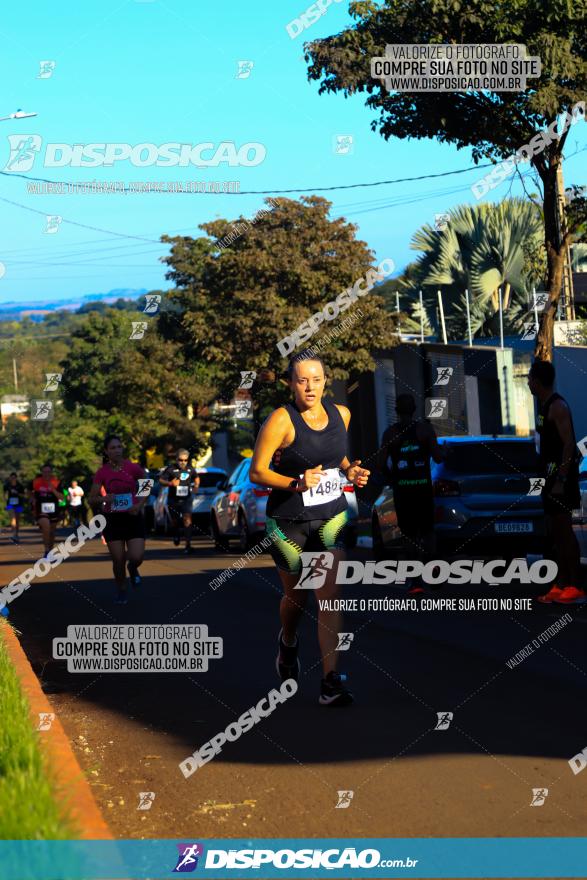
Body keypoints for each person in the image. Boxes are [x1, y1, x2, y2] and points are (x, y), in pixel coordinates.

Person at [249, 351, 369, 707]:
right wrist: (297, 481)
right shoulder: (280, 420)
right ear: (291, 384)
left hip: (330, 516)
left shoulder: (341, 414)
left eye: (316, 379)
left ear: (325, 380)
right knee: (296, 600)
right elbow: (258, 472)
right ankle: (287, 641)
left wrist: (350, 471)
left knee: (328, 596)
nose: (310, 387)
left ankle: (330, 681)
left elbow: (338, 458)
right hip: (288, 522)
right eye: (302, 380)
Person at [527, 360, 585, 604]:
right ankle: (560, 583)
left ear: (538, 381)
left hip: (561, 479)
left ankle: (574, 586)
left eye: (530, 379)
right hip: (549, 478)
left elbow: (569, 445)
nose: (528, 382)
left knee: (564, 532)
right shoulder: (542, 406)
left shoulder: (558, 406)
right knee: (554, 533)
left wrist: (561, 478)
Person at [376, 393, 445, 594]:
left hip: (403, 492)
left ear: (397, 411)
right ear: (414, 409)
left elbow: (380, 464)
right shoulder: (425, 429)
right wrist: (446, 453)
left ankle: (415, 582)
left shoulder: (390, 434)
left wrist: (393, 476)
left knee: (409, 535)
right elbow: (438, 458)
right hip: (422, 489)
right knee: (428, 531)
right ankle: (434, 575)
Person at [89, 436, 147, 604]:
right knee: (118, 559)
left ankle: (133, 567)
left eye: (119, 447)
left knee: (136, 556)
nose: (117, 450)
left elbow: (147, 484)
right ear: (106, 451)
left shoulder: (132, 468)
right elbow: (91, 499)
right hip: (112, 519)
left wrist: (140, 504)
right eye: (112, 448)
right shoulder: (102, 472)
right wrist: (105, 499)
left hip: (132, 516)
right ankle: (121, 589)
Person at [158, 450, 200, 553]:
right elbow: (161, 480)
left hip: (187, 498)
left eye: (185, 460)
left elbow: (196, 477)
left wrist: (196, 486)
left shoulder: (190, 469)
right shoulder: (170, 469)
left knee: (187, 520)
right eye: (181, 460)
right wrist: (170, 483)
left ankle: (188, 545)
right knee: (175, 521)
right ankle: (176, 533)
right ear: (177, 459)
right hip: (173, 499)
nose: (183, 462)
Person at [31, 464, 63, 557]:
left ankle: (50, 549)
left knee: (52, 532)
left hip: (54, 510)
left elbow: (62, 498)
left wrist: (52, 489)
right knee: (46, 527)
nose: (46, 474)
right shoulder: (36, 482)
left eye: (48, 472)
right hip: (41, 510)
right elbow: (29, 491)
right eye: (44, 472)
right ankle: (46, 550)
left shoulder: (56, 482)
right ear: (41, 472)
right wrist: (32, 498)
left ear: (51, 472)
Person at [4, 472, 26, 544]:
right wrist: (5, 500)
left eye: (14, 478)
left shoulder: (20, 486)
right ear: (10, 478)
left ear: (16, 478)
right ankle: (13, 534)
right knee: (13, 518)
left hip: (19, 504)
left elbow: (23, 495)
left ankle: (16, 534)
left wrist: (17, 493)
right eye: (12, 478)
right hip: (10, 504)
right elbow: (5, 495)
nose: (13, 479)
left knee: (17, 519)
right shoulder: (7, 485)